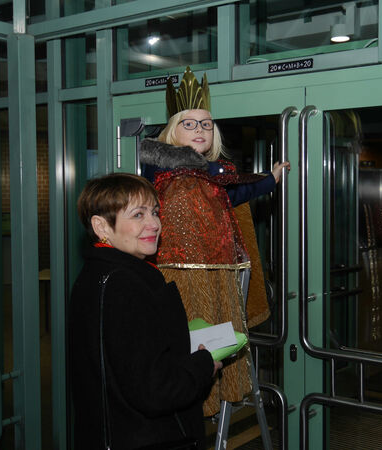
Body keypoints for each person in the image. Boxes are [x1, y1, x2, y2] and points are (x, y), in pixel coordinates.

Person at [140, 67, 290, 416]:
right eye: (189, 123)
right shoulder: (154, 171)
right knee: (183, 348)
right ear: (173, 129)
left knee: (217, 346)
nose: (200, 130)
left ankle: (213, 402)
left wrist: (271, 179)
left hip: (219, 275)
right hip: (175, 276)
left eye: (206, 124)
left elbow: (241, 192)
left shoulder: (216, 175)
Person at [69, 173, 221, 450]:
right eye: (137, 215)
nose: (154, 224)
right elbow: (154, 390)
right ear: (101, 226)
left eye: (154, 211)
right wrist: (203, 364)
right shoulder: (123, 285)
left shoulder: (96, 274)